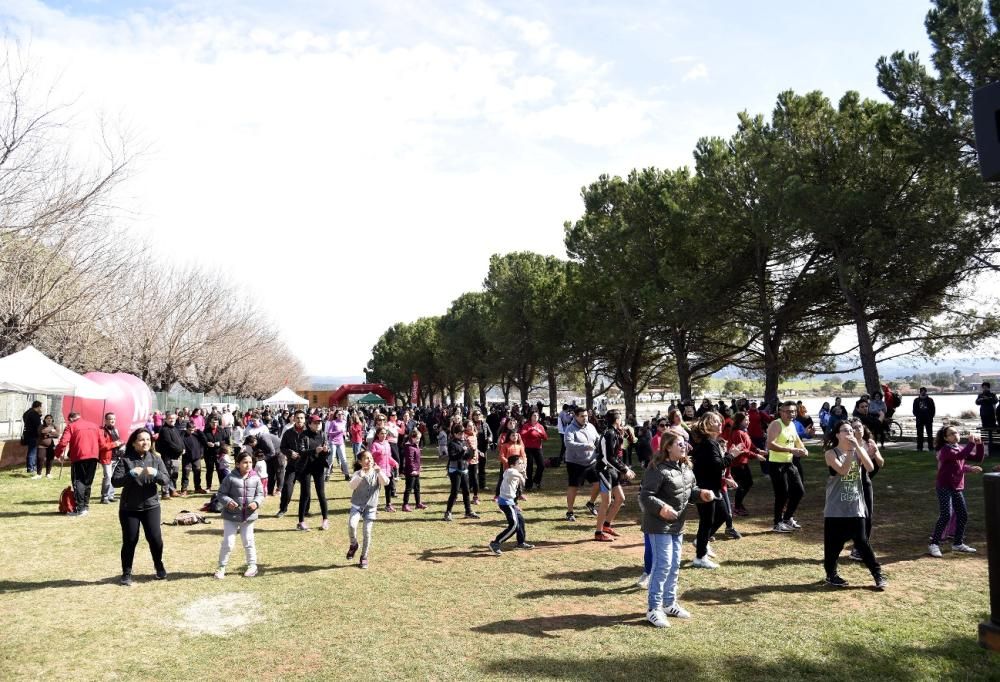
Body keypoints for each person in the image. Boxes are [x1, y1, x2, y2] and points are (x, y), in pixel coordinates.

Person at [640, 431, 715, 627]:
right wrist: (662, 508)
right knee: (662, 565)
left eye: (685, 444)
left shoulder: (686, 468)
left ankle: (669, 603)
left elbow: (690, 492)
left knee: (674, 566)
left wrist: (702, 494)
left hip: (677, 525)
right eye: (679, 444)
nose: (684, 447)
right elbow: (646, 496)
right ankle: (653, 609)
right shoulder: (657, 468)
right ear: (668, 447)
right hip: (658, 525)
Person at [822, 421, 886, 590]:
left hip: (855, 506)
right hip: (835, 508)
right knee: (833, 545)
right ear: (837, 435)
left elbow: (870, 467)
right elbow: (842, 471)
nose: (850, 433)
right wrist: (851, 451)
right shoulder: (831, 453)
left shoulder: (858, 450)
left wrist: (858, 448)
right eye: (845, 430)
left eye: (851, 430)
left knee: (862, 542)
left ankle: (877, 575)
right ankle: (831, 575)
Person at [112, 428, 170, 585]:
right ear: (134, 442)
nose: (145, 442)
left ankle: (159, 566)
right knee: (130, 540)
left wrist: (156, 474)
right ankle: (126, 572)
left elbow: (166, 480)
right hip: (129, 508)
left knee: (155, 539)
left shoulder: (156, 458)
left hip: (151, 506)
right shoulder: (125, 459)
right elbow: (115, 482)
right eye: (141, 439)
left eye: (148, 439)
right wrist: (130, 475)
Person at [928, 426, 985, 557]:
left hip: (956, 487)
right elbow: (961, 455)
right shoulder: (945, 450)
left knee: (963, 515)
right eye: (952, 433)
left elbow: (977, 458)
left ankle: (958, 544)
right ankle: (934, 544)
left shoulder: (958, 448)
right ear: (945, 438)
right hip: (944, 486)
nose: (956, 435)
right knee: (946, 515)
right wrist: (971, 443)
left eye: (956, 432)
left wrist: (980, 444)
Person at [689, 412, 737, 568]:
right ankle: (700, 557)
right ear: (707, 425)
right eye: (715, 422)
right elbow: (717, 465)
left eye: (719, 421)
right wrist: (732, 455)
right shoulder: (708, 443)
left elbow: (712, 468)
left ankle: (700, 542)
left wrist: (725, 479)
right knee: (706, 521)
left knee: (723, 514)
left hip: (714, 486)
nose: (720, 424)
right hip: (705, 489)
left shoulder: (711, 442)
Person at [214, 450, 264, 579]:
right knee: (228, 543)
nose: (248, 465)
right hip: (231, 517)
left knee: (248, 541)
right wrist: (228, 501)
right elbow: (221, 494)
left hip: (248, 517)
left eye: (250, 462)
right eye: (245, 462)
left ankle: (252, 566)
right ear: (237, 464)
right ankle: (221, 567)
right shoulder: (230, 478)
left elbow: (260, 494)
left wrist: (256, 503)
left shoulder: (256, 478)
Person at [766, 401, 808, 533]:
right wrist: (791, 450)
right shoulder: (776, 424)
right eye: (788, 411)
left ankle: (787, 518)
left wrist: (803, 449)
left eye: (794, 411)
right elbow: (770, 445)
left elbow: (797, 440)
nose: (792, 414)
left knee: (799, 491)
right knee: (782, 494)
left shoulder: (792, 425)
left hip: (789, 463)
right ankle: (777, 523)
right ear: (781, 412)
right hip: (776, 464)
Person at [593, 410, 635, 542]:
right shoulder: (609, 433)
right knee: (606, 501)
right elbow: (609, 458)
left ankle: (606, 525)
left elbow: (616, 456)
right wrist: (624, 470)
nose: (622, 421)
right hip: (604, 469)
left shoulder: (615, 433)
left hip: (611, 470)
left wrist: (625, 468)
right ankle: (598, 533)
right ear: (617, 420)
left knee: (620, 498)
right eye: (621, 418)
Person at [347, 450, 391, 569]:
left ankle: (364, 557)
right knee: (352, 525)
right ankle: (354, 544)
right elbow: (351, 486)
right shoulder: (358, 473)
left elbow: (386, 482)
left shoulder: (377, 473)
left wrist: (380, 472)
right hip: (357, 505)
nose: (369, 460)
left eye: (370, 458)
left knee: (367, 532)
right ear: (360, 462)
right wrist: (360, 476)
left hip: (371, 507)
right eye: (366, 458)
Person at [55, 412, 103, 516]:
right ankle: (85, 506)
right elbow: (102, 443)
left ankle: (80, 508)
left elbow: (63, 442)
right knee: (88, 482)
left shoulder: (71, 426)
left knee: (78, 482)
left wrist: (57, 454)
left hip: (79, 457)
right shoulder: (94, 426)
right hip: (93, 457)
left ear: (71, 419)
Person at [849, 419, 884, 561]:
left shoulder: (869, 442)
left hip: (865, 480)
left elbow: (881, 463)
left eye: (860, 426)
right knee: (856, 516)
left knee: (868, 515)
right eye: (855, 428)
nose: (859, 429)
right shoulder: (848, 444)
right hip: (851, 481)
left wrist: (875, 453)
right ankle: (857, 546)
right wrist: (864, 455)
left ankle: (860, 548)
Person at [292, 415, 332, 531]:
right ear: (309, 424)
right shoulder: (304, 435)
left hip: (318, 466)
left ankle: (325, 520)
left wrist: (326, 451)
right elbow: (301, 451)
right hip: (305, 467)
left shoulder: (323, 435)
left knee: (321, 493)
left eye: (319, 422)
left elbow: (327, 452)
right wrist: (314, 450)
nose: (318, 424)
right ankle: (301, 522)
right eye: (315, 423)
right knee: (305, 494)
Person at [489, 454, 533, 554]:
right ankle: (495, 543)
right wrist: (522, 476)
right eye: (519, 463)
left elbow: (516, 490)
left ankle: (520, 542)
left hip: (511, 502)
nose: (522, 465)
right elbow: (514, 474)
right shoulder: (509, 471)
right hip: (505, 503)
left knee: (520, 520)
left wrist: (515, 504)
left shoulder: (516, 472)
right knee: (514, 525)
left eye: (522, 463)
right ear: (512, 465)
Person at [563, 406, 601, 523]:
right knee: (574, 487)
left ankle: (591, 503)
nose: (585, 418)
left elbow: (597, 439)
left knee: (598, 484)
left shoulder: (590, 426)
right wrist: (585, 446)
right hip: (575, 463)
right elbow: (568, 444)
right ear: (576, 416)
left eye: (586, 415)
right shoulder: (570, 429)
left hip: (591, 462)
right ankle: (569, 512)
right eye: (582, 416)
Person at [726, 412, 767, 516]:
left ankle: (738, 505)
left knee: (747, 483)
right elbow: (742, 450)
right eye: (746, 420)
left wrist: (758, 450)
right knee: (745, 484)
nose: (748, 422)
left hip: (743, 462)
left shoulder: (744, 431)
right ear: (739, 421)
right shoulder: (737, 433)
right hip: (737, 463)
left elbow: (750, 444)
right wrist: (756, 456)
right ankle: (737, 506)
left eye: (748, 420)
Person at [444, 422, 479, 521]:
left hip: (464, 469)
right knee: (454, 492)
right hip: (455, 470)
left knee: (466, 491)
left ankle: (468, 511)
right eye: (459, 433)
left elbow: (467, 455)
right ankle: (448, 512)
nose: (462, 435)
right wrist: (463, 452)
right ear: (455, 434)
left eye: (463, 433)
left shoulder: (464, 442)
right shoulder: (452, 443)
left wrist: (472, 453)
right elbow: (453, 457)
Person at [155, 412, 185, 499]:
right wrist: (179, 449)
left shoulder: (175, 429)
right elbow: (169, 443)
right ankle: (165, 493)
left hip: (176, 456)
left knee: (174, 475)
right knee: (167, 474)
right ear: (166, 419)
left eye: (173, 418)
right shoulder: (164, 430)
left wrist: (183, 448)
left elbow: (180, 440)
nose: (172, 420)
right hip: (168, 456)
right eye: (170, 418)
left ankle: (173, 490)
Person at [369, 426, 399, 511]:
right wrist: (378, 452)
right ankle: (372, 507)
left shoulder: (387, 444)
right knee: (375, 490)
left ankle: (388, 505)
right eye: (382, 433)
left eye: (385, 433)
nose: (384, 435)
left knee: (388, 488)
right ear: (378, 434)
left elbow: (389, 457)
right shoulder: (375, 444)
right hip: (378, 470)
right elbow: (371, 456)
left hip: (387, 470)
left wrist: (394, 463)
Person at [99, 413, 126, 504]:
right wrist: (115, 444)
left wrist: (121, 444)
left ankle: (111, 495)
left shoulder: (115, 430)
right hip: (106, 457)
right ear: (105, 420)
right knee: (108, 476)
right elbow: (102, 446)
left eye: (114, 419)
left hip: (116, 456)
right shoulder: (102, 431)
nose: (113, 420)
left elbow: (118, 441)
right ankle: (104, 496)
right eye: (110, 419)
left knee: (113, 477)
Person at [519, 411, 548, 491]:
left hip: (538, 448)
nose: (536, 417)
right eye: (534, 415)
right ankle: (528, 485)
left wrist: (540, 432)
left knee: (541, 465)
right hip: (528, 448)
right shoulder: (526, 425)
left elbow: (545, 437)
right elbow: (522, 434)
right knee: (529, 467)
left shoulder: (540, 426)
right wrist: (530, 430)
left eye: (537, 415)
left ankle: (536, 481)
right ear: (531, 417)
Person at [202, 416, 231, 492]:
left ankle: (222, 486)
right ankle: (208, 487)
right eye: (213, 422)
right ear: (210, 423)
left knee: (220, 470)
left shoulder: (221, 430)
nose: (214, 424)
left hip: (219, 454)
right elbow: (203, 440)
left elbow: (226, 441)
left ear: (218, 423)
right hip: (209, 453)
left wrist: (220, 443)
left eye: (216, 422)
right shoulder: (206, 430)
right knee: (209, 470)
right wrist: (207, 443)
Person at [401, 428, 426, 511]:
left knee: (417, 487)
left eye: (419, 438)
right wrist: (413, 470)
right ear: (412, 437)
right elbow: (410, 459)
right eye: (418, 438)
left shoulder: (415, 446)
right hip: (410, 471)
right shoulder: (409, 447)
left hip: (416, 470)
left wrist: (418, 467)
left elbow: (417, 458)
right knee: (409, 488)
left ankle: (418, 503)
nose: (419, 440)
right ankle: (405, 504)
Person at [180, 421, 206, 495]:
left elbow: (204, 440)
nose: (191, 431)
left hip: (196, 457)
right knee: (186, 473)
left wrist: (199, 431)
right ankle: (184, 489)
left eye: (193, 430)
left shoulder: (197, 434)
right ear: (186, 429)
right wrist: (184, 432)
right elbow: (180, 439)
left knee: (197, 473)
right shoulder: (183, 435)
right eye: (189, 430)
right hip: (187, 458)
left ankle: (197, 488)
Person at [326, 409, 350, 481]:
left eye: (342, 414)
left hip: (341, 442)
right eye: (339, 414)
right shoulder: (333, 422)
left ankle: (347, 475)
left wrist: (345, 433)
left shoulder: (344, 422)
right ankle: (327, 475)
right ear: (336, 415)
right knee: (331, 459)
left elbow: (344, 431)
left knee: (343, 459)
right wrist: (338, 431)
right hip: (332, 442)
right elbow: (329, 433)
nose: (340, 415)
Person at [21, 400, 43, 478]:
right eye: (41, 407)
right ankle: (31, 468)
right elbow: (38, 425)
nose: (41, 409)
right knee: (32, 451)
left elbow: (28, 420)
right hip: (33, 435)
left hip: (28, 434)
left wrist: (39, 416)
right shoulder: (34, 414)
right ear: (38, 407)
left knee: (31, 451)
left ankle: (31, 467)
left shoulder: (28, 412)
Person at [912, 387, 936, 452]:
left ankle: (931, 447)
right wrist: (918, 416)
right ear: (920, 392)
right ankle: (919, 447)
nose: (923, 392)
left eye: (924, 391)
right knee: (919, 434)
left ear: (926, 392)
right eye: (922, 391)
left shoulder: (930, 400)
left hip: (928, 419)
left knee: (930, 434)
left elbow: (933, 410)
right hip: (919, 419)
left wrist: (931, 417)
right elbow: (914, 410)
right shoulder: (916, 400)